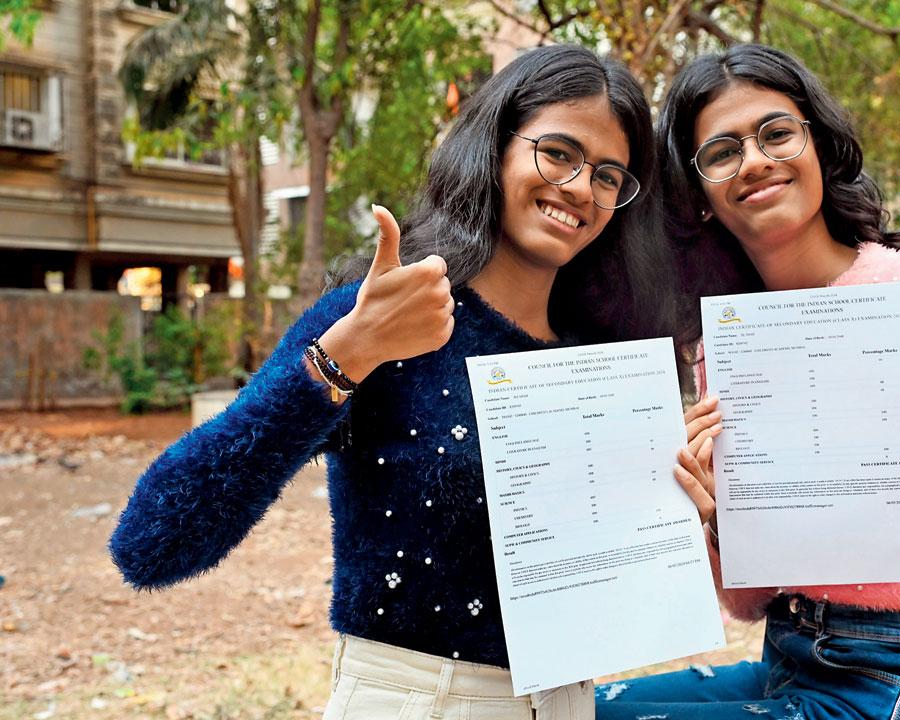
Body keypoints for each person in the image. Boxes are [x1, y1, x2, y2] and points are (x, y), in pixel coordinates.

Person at [110, 44, 686, 720]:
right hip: (418, 701)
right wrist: (344, 356)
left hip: (568, 702)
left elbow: (609, 586)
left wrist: (683, 516)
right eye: (558, 153)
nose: (582, 189)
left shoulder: (604, 358)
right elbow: (151, 544)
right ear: (495, 146)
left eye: (610, 174)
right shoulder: (380, 316)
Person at [596, 44, 900, 720]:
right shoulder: (726, 339)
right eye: (721, 152)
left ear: (819, 148)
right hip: (788, 662)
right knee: (581, 709)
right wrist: (719, 522)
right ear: (701, 197)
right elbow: (749, 603)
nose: (755, 161)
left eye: (776, 133)